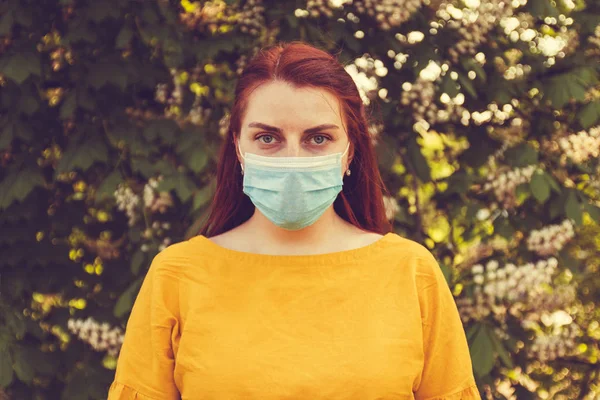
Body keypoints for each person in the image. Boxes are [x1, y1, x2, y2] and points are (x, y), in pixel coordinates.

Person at [107, 41, 481, 400]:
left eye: (318, 139)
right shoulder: (176, 275)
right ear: (238, 146)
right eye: (268, 137)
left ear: (350, 151)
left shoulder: (411, 272)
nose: (292, 160)